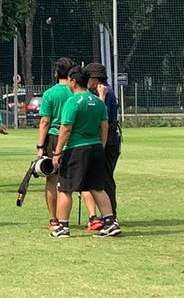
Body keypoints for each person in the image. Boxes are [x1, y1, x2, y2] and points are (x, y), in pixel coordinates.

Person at [50, 66, 120, 238]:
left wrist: (57, 152)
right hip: (96, 147)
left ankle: (62, 227)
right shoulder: (98, 101)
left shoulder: (72, 102)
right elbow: (104, 126)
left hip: (76, 148)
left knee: (65, 188)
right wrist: (101, 146)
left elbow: (66, 128)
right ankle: (110, 222)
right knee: (97, 187)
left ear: (73, 81)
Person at [34, 58, 76, 229]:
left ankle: (54, 219)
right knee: (75, 181)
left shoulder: (50, 94)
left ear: (56, 73)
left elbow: (45, 121)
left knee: (52, 180)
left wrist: (40, 146)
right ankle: (92, 217)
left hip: (53, 137)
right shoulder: (77, 91)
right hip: (74, 138)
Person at [80, 62, 122, 229]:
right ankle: (107, 214)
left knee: (105, 178)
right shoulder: (101, 91)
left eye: (88, 78)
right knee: (102, 178)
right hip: (108, 138)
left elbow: (100, 115)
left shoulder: (105, 92)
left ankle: (111, 216)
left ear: (95, 79)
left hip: (109, 139)